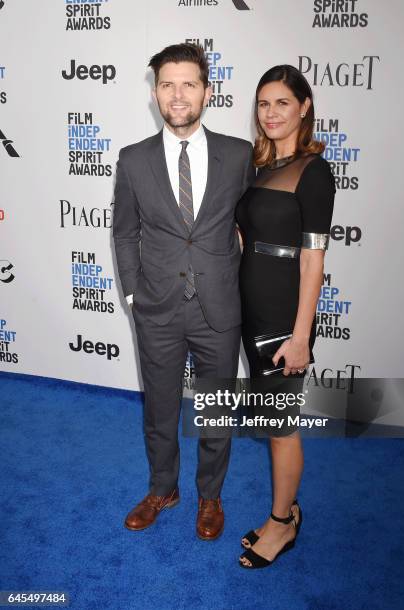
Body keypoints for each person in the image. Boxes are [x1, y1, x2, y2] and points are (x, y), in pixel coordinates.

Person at [113, 43, 255, 540]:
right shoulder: (132, 160)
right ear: (155, 94)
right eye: (168, 84)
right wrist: (133, 294)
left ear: (207, 91)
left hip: (219, 305)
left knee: (216, 407)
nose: (178, 94)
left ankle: (210, 497)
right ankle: (163, 488)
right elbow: (124, 232)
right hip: (157, 308)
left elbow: (254, 228)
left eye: (188, 83)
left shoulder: (240, 154)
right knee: (160, 409)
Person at [235, 65, 335, 568]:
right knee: (271, 419)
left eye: (281, 103)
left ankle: (281, 524)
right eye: (263, 104)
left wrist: (301, 337)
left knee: (281, 424)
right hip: (251, 312)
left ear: (304, 107)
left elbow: (313, 259)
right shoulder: (262, 167)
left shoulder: (314, 171)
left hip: (283, 319)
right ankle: (286, 509)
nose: (271, 113)